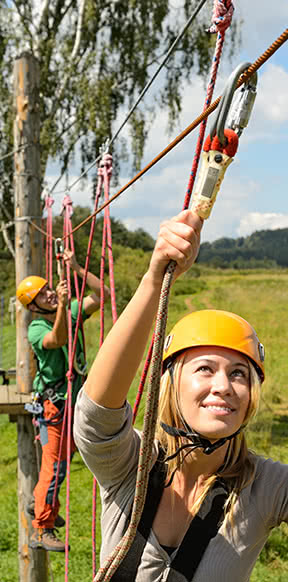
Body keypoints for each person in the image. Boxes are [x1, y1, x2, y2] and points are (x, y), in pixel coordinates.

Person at [74, 210, 288, 581]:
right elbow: (97, 413)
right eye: (204, 368)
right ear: (171, 384)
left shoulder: (266, 487)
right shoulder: (129, 467)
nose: (223, 385)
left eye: (239, 373)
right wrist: (153, 280)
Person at [16, 249, 110, 552]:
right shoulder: (36, 328)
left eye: (48, 289)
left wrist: (77, 268)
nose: (49, 294)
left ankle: (43, 505)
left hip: (72, 400)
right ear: (34, 307)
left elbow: (103, 295)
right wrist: (62, 308)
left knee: (61, 463)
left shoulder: (68, 310)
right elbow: (56, 340)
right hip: (54, 404)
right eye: (42, 295)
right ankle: (41, 528)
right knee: (54, 466)